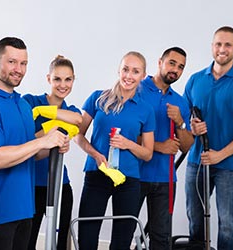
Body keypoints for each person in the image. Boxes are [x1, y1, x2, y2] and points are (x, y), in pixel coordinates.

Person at [0, 37, 70, 250]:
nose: (18, 69)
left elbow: (29, 153)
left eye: (23, 64)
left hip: (25, 209)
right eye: (12, 62)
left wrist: (52, 145)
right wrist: (42, 141)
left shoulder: (22, 105)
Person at [183, 26, 233, 250]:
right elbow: (182, 120)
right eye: (218, 44)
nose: (222, 49)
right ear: (212, 47)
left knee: (227, 224)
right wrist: (192, 128)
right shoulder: (195, 80)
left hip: (230, 165)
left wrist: (220, 155)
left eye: (228, 44)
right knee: (195, 219)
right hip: (197, 162)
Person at [74, 51, 155, 250]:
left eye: (135, 72)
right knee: (87, 237)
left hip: (128, 180)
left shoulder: (146, 110)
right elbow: (78, 135)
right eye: (126, 69)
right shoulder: (97, 98)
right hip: (97, 174)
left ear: (143, 76)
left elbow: (148, 153)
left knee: (121, 240)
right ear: (119, 70)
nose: (129, 76)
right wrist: (95, 154)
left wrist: (128, 144)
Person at [137, 47, 194, 250]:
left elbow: (187, 146)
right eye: (172, 63)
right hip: (134, 174)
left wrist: (180, 123)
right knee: (124, 231)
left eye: (181, 67)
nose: (175, 70)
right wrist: (159, 146)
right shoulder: (137, 89)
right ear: (160, 61)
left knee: (161, 238)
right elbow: (124, 132)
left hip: (165, 179)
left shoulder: (179, 102)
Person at [23, 55, 82, 250]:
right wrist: (51, 132)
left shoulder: (71, 110)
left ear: (74, 80)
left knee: (61, 241)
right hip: (33, 184)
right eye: (57, 79)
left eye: (68, 79)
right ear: (49, 79)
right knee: (27, 239)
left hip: (59, 184)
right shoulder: (30, 101)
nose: (62, 85)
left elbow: (77, 120)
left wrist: (44, 113)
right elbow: (26, 141)